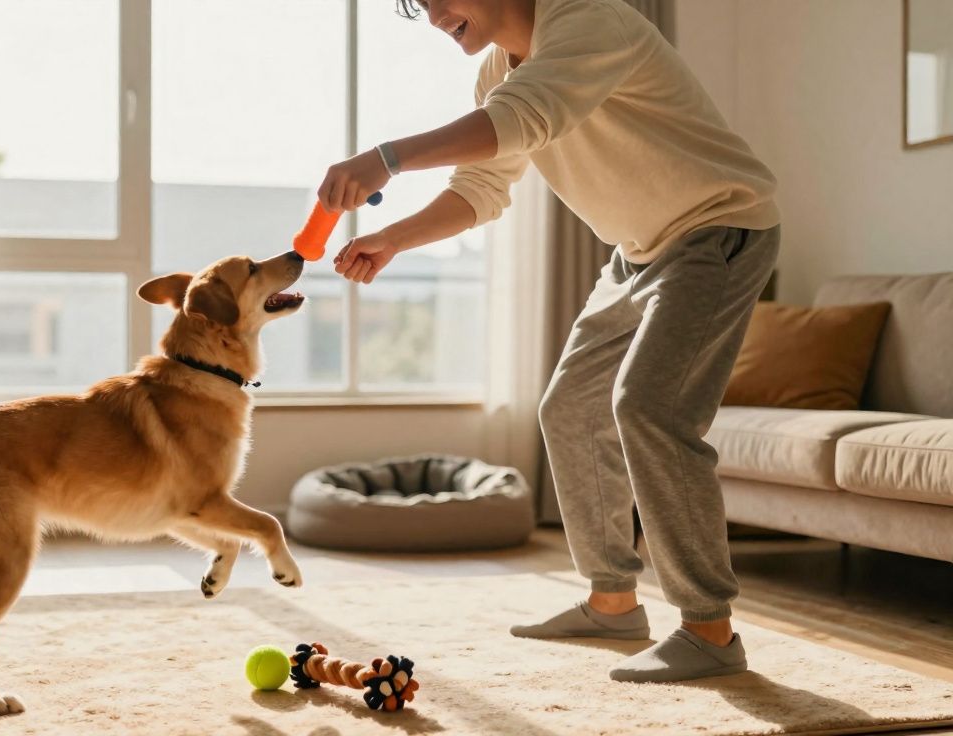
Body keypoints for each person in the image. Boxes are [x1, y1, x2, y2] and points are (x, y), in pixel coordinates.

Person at [317, 0, 780, 683]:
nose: (436, 15)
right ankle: (612, 602)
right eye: (421, 5)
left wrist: (388, 158)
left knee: (650, 409)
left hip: (717, 227)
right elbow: (482, 185)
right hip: (637, 252)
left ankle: (709, 629)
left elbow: (522, 119)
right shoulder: (495, 75)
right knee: (570, 408)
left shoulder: (590, 19)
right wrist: (392, 239)